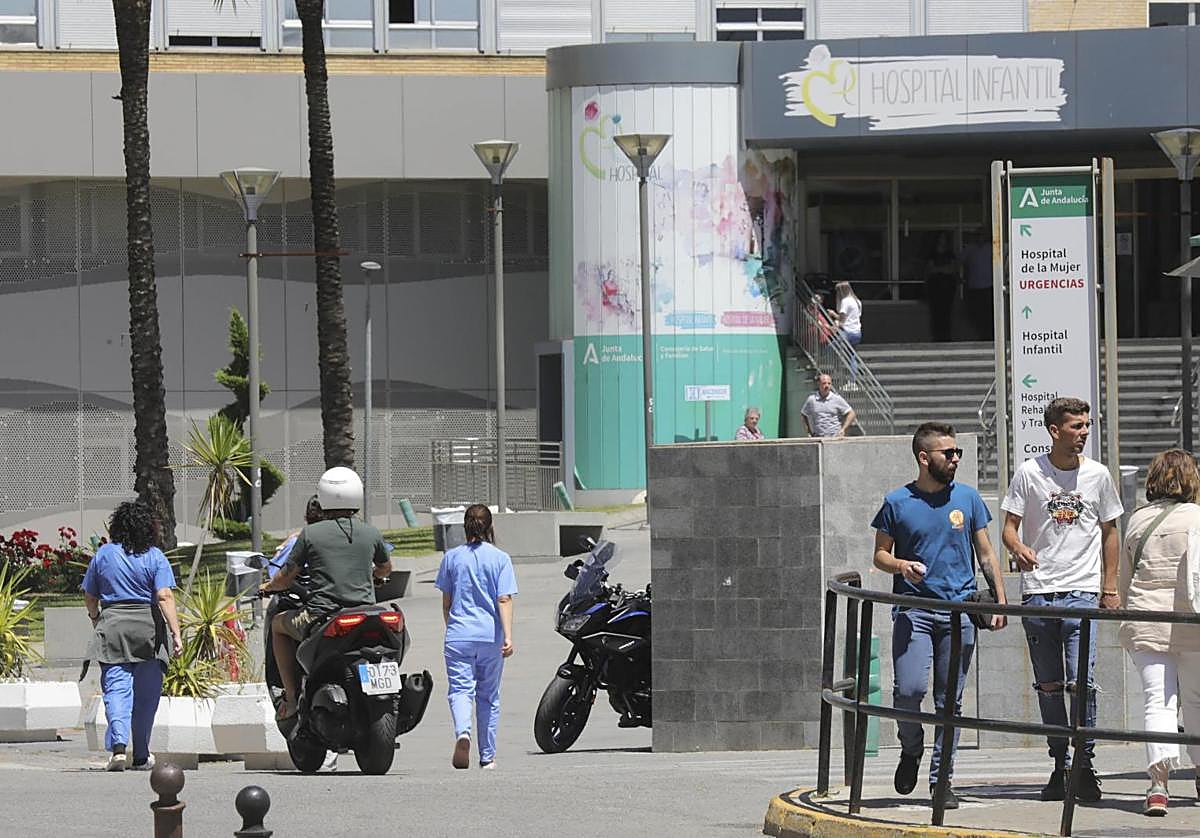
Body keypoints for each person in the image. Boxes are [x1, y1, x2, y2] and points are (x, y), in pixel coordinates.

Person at [872, 422, 1006, 809]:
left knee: (950, 702)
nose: (956, 458)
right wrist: (901, 566)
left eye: (957, 452)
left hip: (959, 613)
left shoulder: (968, 498)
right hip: (914, 609)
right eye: (948, 453)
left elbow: (986, 554)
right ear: (923, 457)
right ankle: (911, 747)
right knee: (909, 691)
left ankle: (941, 781)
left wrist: (1000, 602)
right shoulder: (897, 502)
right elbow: (879, 555)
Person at [1001, 397, 1123, 802]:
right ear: (1055, 431)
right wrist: (1018, 548)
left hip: (1081, 591)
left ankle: (1085, 763)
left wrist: (1109, 587)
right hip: (1039, 591)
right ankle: (1060, 763)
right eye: (1076, 426)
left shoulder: (1098, 475)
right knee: (1050, 685)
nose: (1083, 433)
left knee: (1081, 681)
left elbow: (1110, 531)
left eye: (1087, 425)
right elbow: (1009, 527)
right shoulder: (1029, 473)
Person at [259, 467, 392, 721]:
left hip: (321, 614)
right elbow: (385, 568)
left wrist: (268, 587)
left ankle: (290, 698)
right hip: (366, 612)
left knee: (277, 625)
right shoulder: (371, 532)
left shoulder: (311, 534)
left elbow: (286, 576)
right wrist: (375, 577)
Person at [1118, 449, 1200, 816]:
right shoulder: (1197, 517)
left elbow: (1124, 580)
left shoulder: (1138, 520)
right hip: (1192, 622)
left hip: (1147, 618)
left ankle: (1158, 786)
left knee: (1157, 701)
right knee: (1197, 701)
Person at [82, 500, 183, 772]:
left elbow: (90, 596)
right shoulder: (155, 557)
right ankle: (140, 754)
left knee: (116, 688)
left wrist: (95, 618)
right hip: (148, 629)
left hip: (113, 626)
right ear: (149, 528)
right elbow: (164, 595)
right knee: (147, 695)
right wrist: (176, 634)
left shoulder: (104, 555)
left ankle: (118, 748)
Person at [435, 504, 517, 770]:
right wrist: (508, 636)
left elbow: (446, 603)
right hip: (490, 636)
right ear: (490, 526)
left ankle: (463, 732)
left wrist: (452, 628)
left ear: (465, 526)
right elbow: (504, 599)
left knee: (460, 690)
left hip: (459, 635)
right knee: (488, 696)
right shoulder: (500, 558)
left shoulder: (451, 558)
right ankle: (487, 757)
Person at [267, 495, 323, 579]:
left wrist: (281, 547)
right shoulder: (340, 539)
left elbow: (274, 572)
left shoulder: (296, 542)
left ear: (306, 517)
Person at [959, 231, 993, 340]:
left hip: (989, 286)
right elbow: (959, 261)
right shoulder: (970, 249)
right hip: (974, 287)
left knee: (989, 313)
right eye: (978, 235)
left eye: (982, 235)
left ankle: (989, 336)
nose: (980, 238)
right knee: (976, 314)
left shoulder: (991, 248)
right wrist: (960, 277)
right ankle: (980, 335)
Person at [926, 233, 958, 342]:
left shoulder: (950, 254)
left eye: (944, 238)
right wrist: (944, 269)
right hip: (935, 288)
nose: (942, 240)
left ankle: (946, 336)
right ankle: (936, 336)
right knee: (936, 313)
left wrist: (939, 269)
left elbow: (952, 269)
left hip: (948, 288)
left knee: (946, 312)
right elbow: (930, 269)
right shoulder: (932, 254)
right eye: (941, 238)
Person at [800, 374, 856, 438]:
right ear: (818, 384)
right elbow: (803, 414)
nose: (827, 386)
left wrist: (843, 429)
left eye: (829, 383)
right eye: (824, 383)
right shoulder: (812, 400)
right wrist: (809, 432)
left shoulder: (836, 399)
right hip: (818, 437)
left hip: (834, 437)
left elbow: (851, 413)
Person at [831, 281, 863, 385]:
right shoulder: (857, 301)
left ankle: (835, 371)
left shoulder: (845, 301)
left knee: (830, 348)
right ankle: (852, 380)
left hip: (847, 332)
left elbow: (842, 320)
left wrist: (833, 315)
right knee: (851, 356)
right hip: (857, 333)